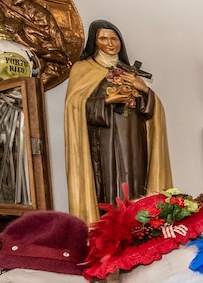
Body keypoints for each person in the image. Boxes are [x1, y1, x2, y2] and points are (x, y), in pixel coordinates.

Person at [64, 19, 172, 223]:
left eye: (114, 39)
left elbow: (151, 110)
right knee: (110, 181)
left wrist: (143, 89)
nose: (110, 43)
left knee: (135, 178)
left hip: (133, 134)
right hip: (104, 137)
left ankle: (139, 220)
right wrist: (107, 100)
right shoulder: (84, 68)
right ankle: (111, 224)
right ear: (94, 42)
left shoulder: (129, 71)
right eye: (103, 38)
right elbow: (75, 105)